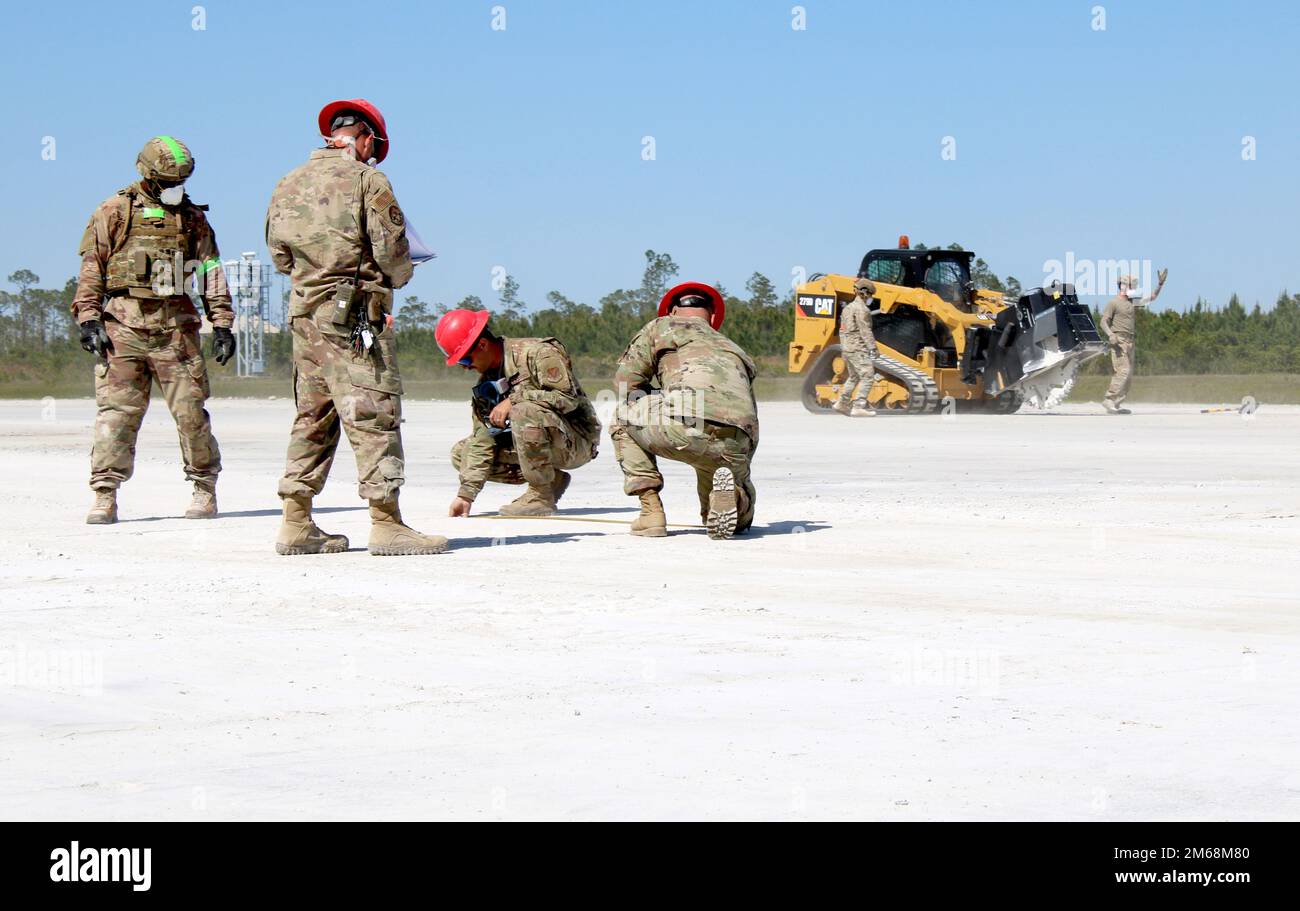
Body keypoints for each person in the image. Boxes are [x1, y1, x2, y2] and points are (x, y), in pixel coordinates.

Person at [266, 98, 446, 556]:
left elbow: (280, 257)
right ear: (365, 137)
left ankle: (296, 521)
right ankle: (387, 523)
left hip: (305, 317)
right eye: (374, 145)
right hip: (354, 318)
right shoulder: (368, 180)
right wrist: (400, 275)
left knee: (313, 416)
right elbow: (391, 251)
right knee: (374, 411)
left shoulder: (286, 183)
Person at [72, 136, 235, 525]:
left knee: (191, 413)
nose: (174, 188)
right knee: (117, 415)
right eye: (167, 180)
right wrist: (89, 319)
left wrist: (223, 324)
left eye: (181, 180)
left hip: (176, 329)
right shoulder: (115, 210)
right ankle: (104, 494)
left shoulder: (193, 219)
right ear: (147, 175)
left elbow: (210, 271)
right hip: (123, 327)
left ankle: (203, 487)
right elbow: (92, 266)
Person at [610, 282, 759, 539]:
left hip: (684, 425)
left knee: (623, 412)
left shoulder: (661, 327)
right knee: (727, 513)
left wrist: (658, 394)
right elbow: (750, 412)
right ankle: (733, 495)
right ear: (712, 317)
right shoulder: (736, 349)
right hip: (736, 439)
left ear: (671, 312)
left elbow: (625, 383)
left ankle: (651, 512)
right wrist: (741, 466)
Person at [438, 310, 602, 517]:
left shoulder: (537, 353)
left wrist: (514, 399)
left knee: (523, 411)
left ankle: (540, 496)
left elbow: (567, 399)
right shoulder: (486, 388)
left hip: (577, 441)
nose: (466, 368)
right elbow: (482, 439)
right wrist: (466, 495)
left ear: (482, 345)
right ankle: (550, 481)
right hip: (538, 444)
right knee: (463, 453)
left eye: (465, 360)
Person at [1100, 269, 1167, 414]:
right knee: (1123, 370)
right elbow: (1103, 322)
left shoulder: (1132, 302)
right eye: (1131, 286)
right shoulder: (1113, 303)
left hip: (1130, 341)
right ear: (1123, 286)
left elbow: (1152, 298)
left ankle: (1116, 404)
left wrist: (1160, 284)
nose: (1133, 289)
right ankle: (1109, 399)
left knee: (1128, 376)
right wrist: (1110, 334)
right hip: (1119, 341)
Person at [832, 277, 880, 417]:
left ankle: (841, 403)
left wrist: (844, 349)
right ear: (864, 293)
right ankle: (859, 406)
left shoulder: (847, 308)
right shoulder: (862, 309)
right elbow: (865, 330)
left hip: (847, 347)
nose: (870, 297)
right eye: (870, 294)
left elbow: (842, 330)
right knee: (868, 376)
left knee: (854, 377)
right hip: (858, 347)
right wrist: (873, 348)